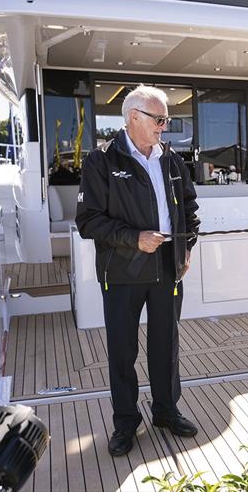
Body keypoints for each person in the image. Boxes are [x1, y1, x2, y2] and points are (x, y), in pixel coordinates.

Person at [76, 85, 200, 456]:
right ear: (133, 117)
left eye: (166, 120)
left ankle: (165, 411)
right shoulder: (101, 161)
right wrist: (134, 238)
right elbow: (88, 221)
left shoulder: (173, 161)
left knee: (166, 346)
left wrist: (185, 247)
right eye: (159, 119)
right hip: (122, 272)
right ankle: (126, 424)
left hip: (167, 268)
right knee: (122, 351)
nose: (165, 126)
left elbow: (190, 211)